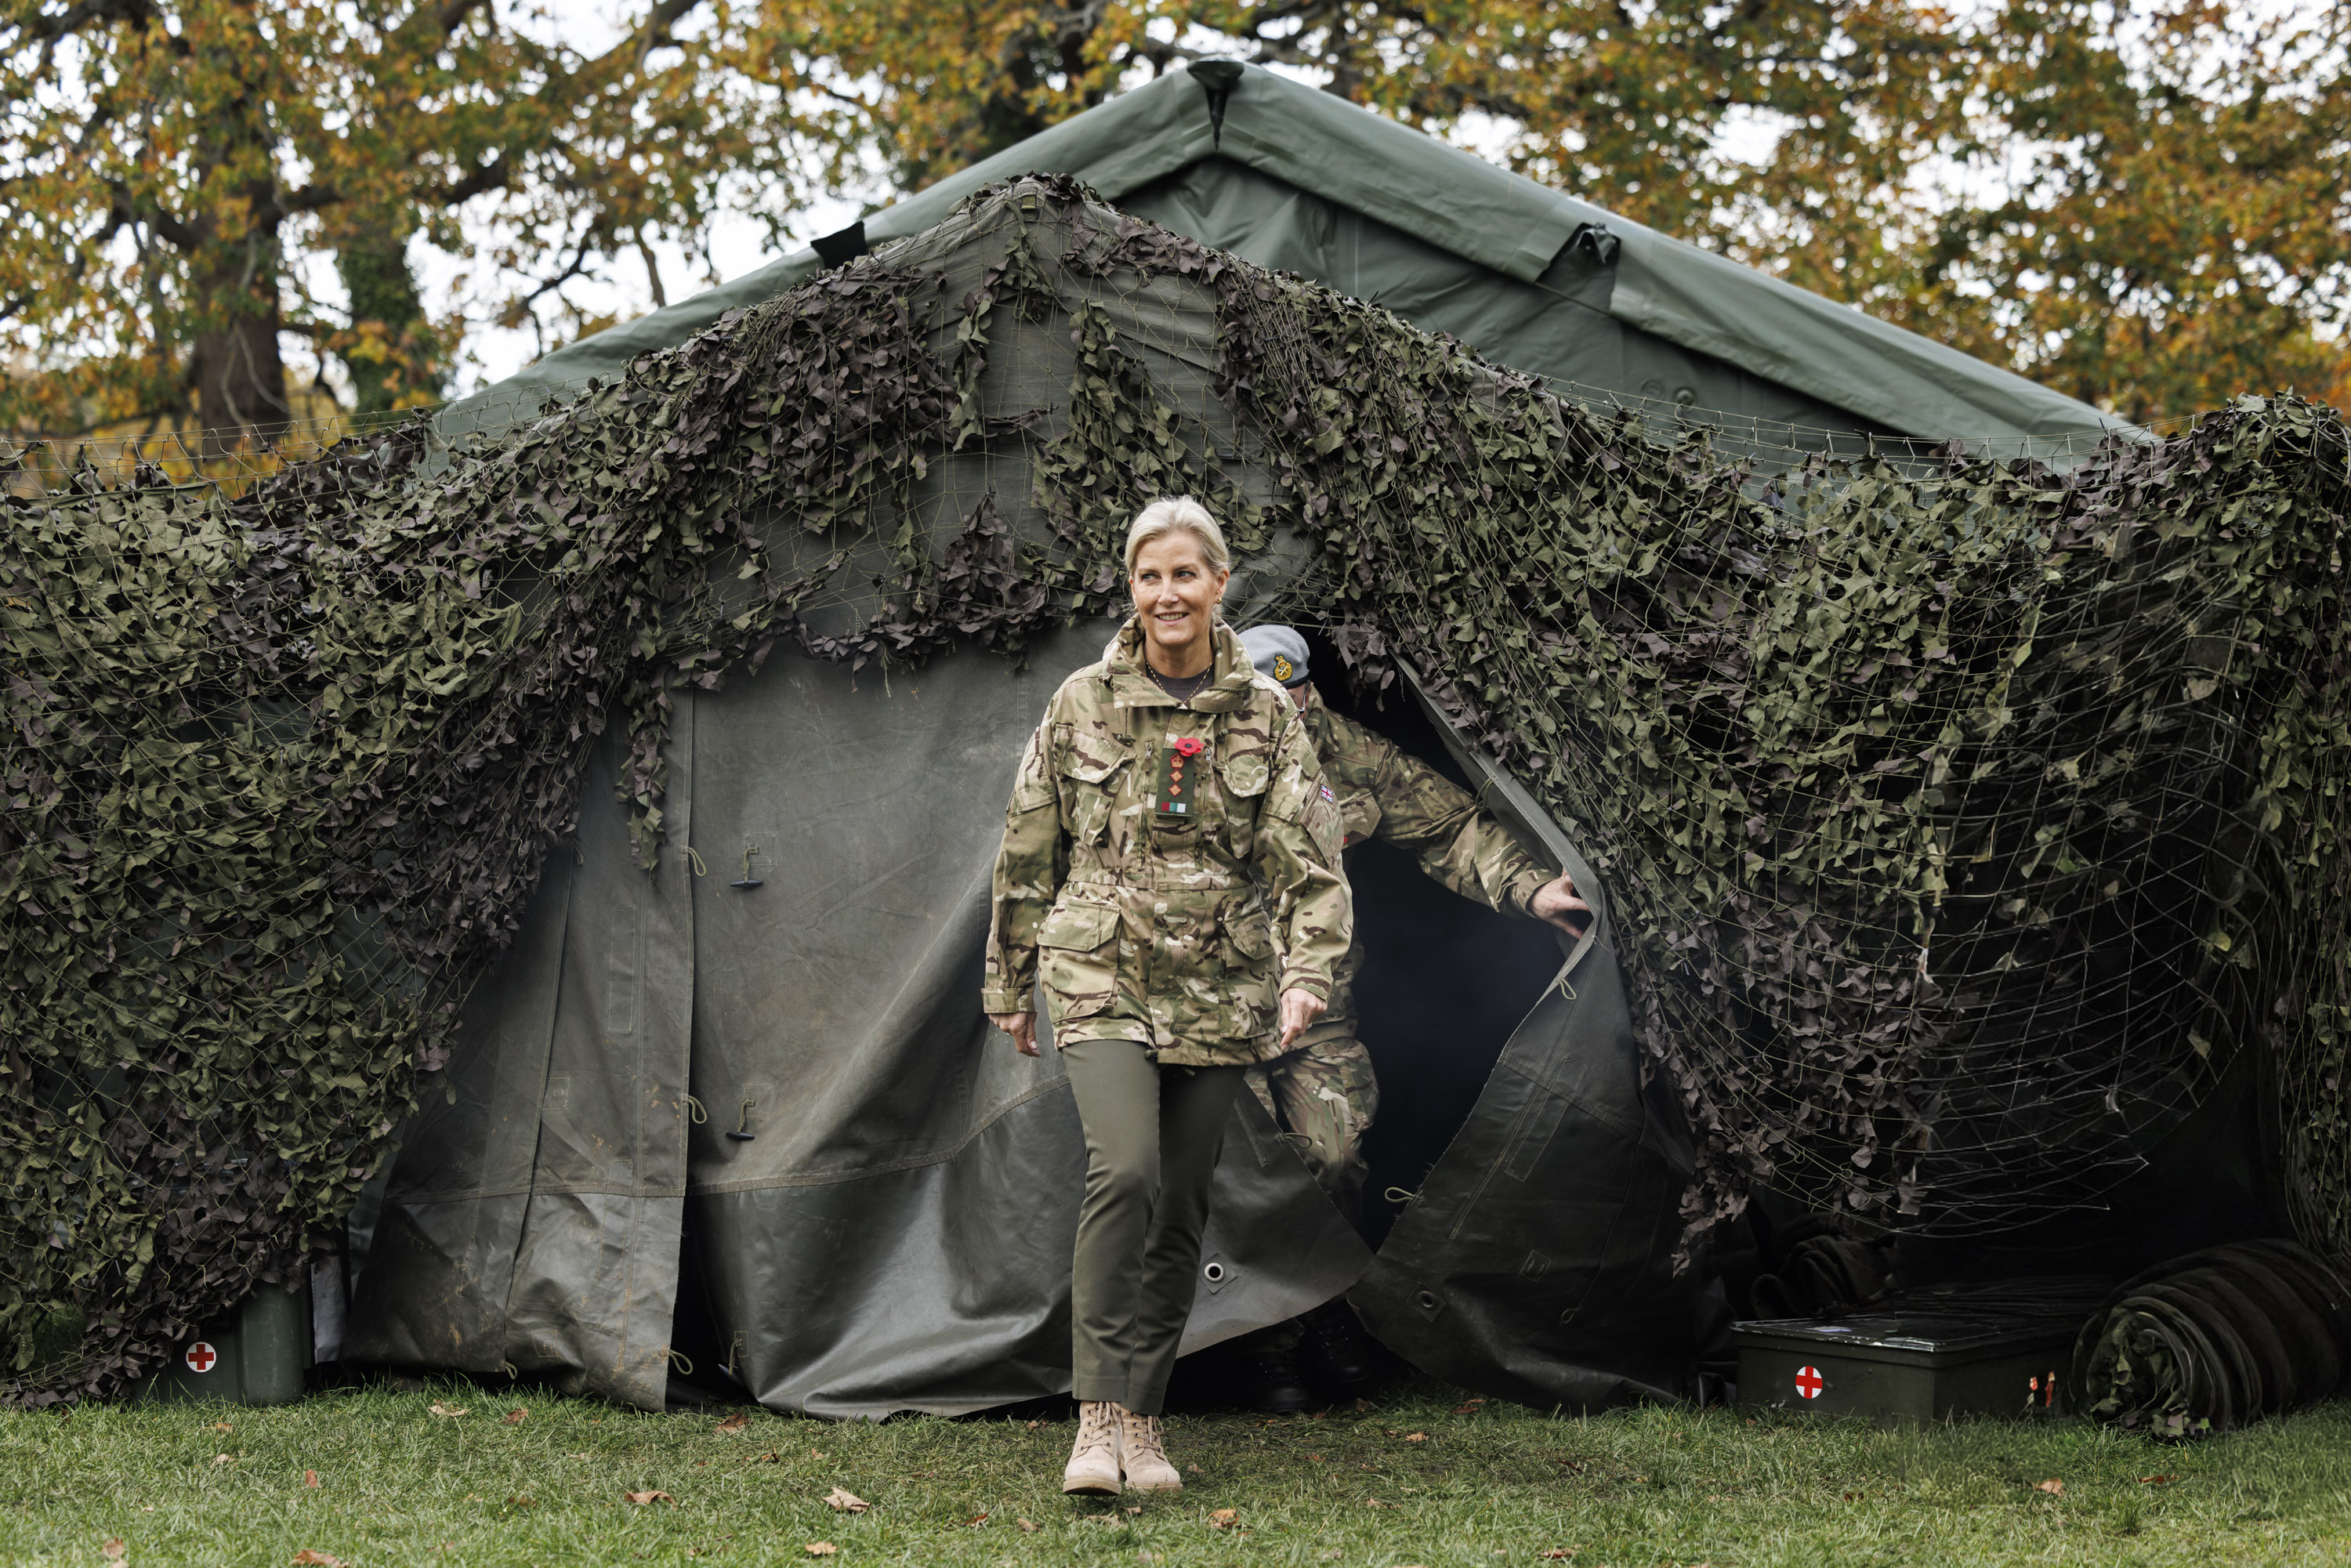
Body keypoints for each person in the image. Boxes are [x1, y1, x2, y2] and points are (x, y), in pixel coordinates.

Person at [983, 499, 1352, 1497]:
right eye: (1150, 577)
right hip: (1099, 966)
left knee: (1183, 1203)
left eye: (1185, 575)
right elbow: (1028, 845)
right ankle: (1095, 1423)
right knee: (1129, 1173)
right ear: (1132, 589)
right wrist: (1009, 978)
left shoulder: (1266, 716)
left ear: (1218, 584)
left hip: (1217, 981)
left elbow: (1312, 862)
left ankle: (1144, 1426)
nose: (1167, 595)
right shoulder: (1080, 703)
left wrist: (1307, 971)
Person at [1223, 622, 1595, 1411]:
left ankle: (1316, 1318)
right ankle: (1256, 1348)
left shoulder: (1340, 750)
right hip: (1214, 1021)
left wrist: (1532, 888)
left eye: (1295, 700)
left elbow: (1449, 826)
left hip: (1318, 1010)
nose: (1284, 720)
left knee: (1336, 1152)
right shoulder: (1180, 757)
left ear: (1308, 695)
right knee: (1251, 1173)